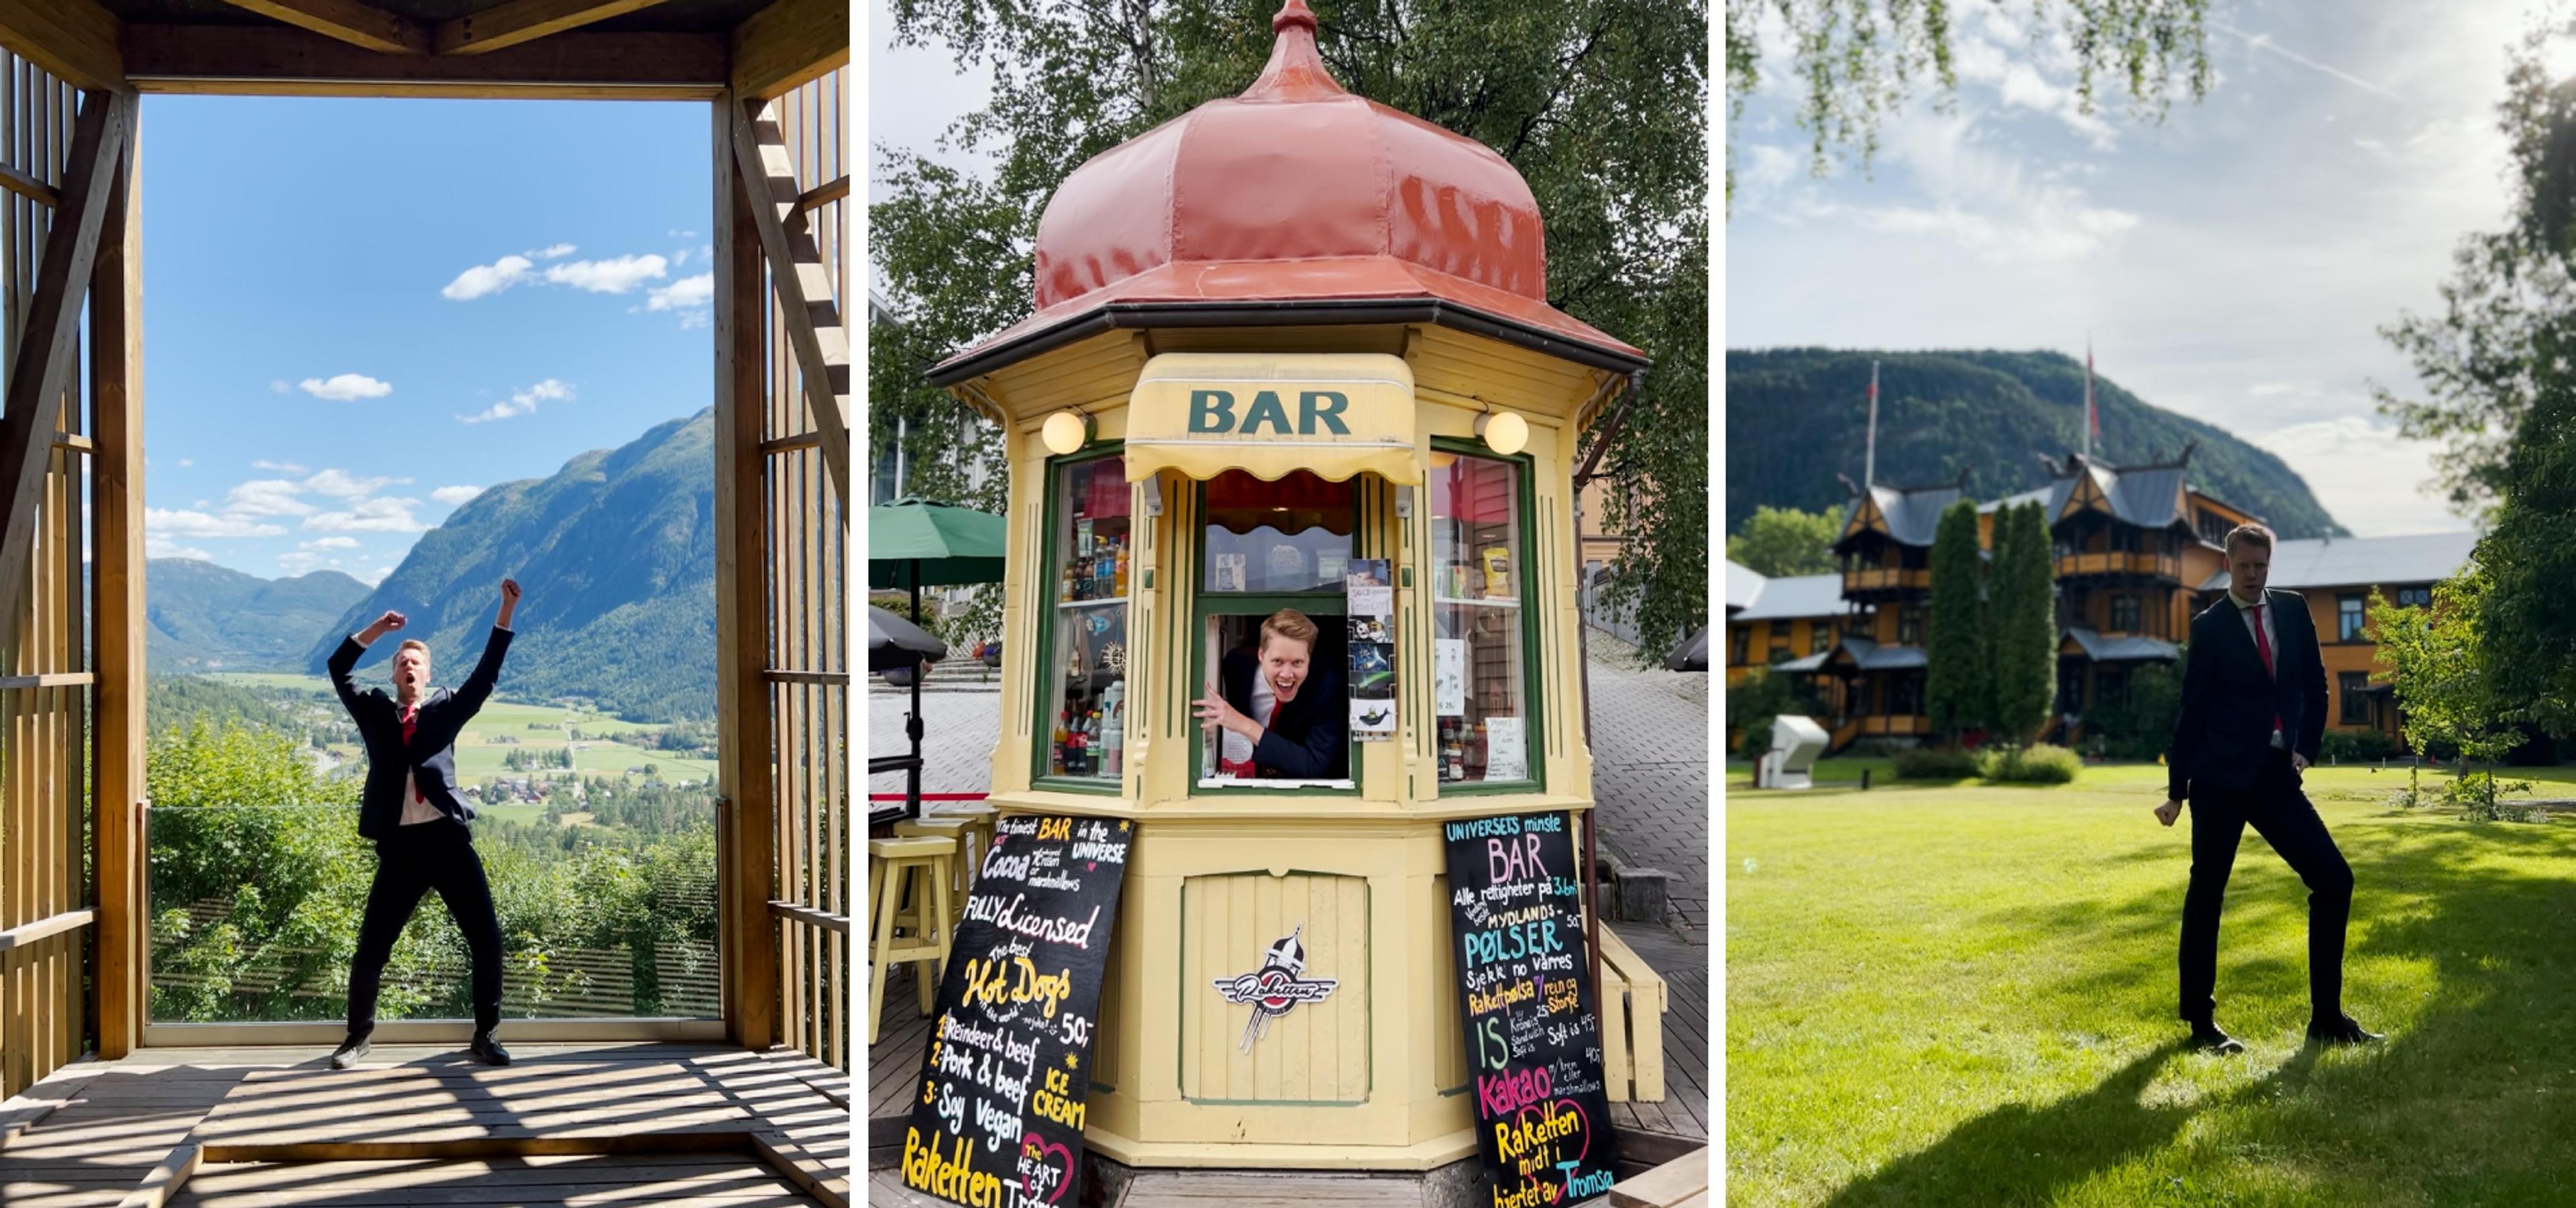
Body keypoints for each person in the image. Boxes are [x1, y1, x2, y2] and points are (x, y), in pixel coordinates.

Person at [2156, 525, 2378, 1052]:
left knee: (2334, 881)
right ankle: (2200, 1024)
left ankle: (2327, 1017)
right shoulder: (2209, 629)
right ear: (2229, 564)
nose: (2254, 576)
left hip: (2276, 775)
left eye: (2262, 567)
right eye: (2245, 567)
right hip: (2219, 780)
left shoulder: (2294, 610)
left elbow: (2315, 683)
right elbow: (2193, 712)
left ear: (2270, 565)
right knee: (2207, 894)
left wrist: (2306, 746)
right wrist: (2176, 791)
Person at [325, 578, 522, 1070]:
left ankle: (486, 1034)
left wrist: (506, 610)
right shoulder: (373, 713)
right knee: (373, 946)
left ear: (428, 674)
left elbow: (487, 674)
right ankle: (356, 1040)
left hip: (448, 841)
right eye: (401, 662)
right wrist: (379, 629)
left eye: (416, 662)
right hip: (400, 848)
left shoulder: (445, 710)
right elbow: (337, 667)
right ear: (393, 675)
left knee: (486, 939)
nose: (408, 666)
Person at [1193, 609, 1347, 781]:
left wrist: (1244, 725)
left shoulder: (1328, 685)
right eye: (1277, 662)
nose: (1287, 674)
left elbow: (1315, 764)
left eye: (1297, 663)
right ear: (1261, 655)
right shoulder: (1236, 666)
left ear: (1309, 659)